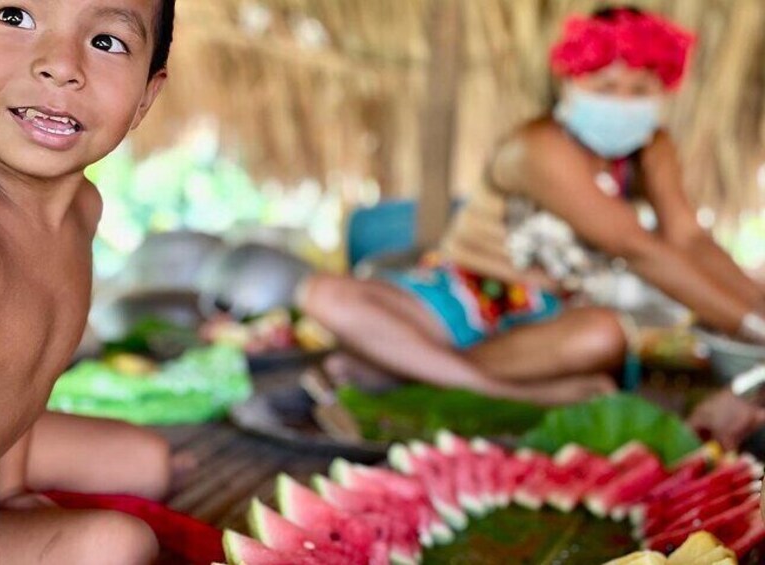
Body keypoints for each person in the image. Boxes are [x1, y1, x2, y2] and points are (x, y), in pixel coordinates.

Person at [299, 6, 765, 406]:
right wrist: (748, 328)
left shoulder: (652, 147)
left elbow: (688, 237)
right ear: (571, 84)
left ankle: (403, 369)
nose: (623, 101)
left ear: (661, 90)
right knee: (323, 294)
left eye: (640, 90)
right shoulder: (537, 148)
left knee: (607, 334)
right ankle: (508, 392)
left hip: (547, 322)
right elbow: (636, 247)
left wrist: (756, 309)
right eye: (605, 86)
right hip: (453, 301)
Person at [0, 0, 176, 562]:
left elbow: (22, 370)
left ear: (144, 98)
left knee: (146, 461)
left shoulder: (81, 209)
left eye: (106, 42)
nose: (61, 65)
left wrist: (9, 494)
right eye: (14, 16)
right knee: (117, 544)